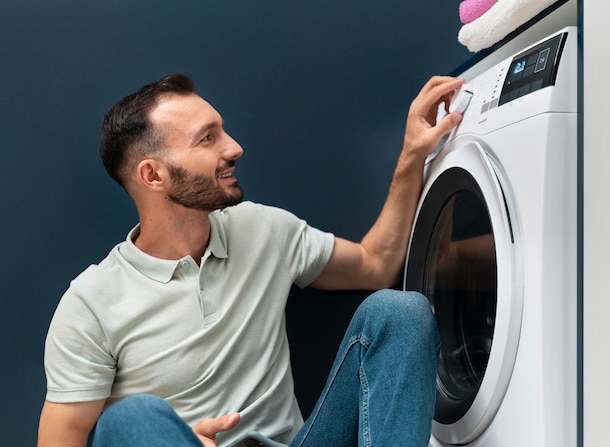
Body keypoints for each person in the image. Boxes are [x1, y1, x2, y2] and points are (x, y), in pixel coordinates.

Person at [38, 73, 464, 447]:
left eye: (223, 131)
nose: (234, 147)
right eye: (207, 138)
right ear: (153, 175)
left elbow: (376, 263)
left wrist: (413, 154)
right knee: (132, 420)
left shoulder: (262, 228)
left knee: (399, 311)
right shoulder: (91, 303)